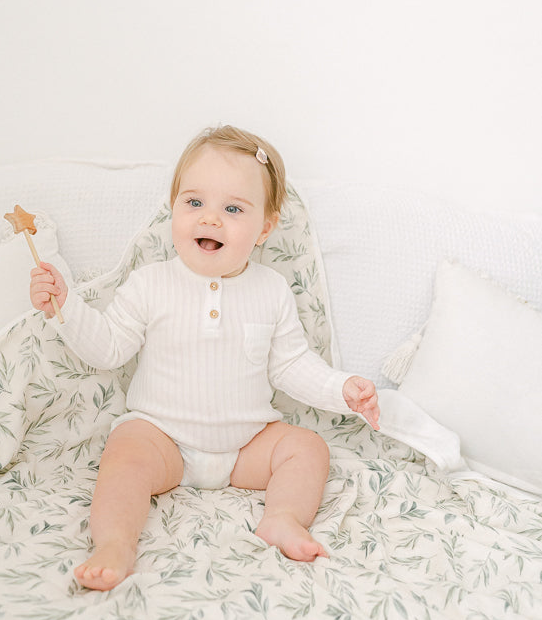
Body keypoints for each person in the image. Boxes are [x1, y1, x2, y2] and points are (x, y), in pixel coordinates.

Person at [30, 125, 380, 591]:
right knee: (124, 455)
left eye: (233, 209)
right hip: (163, 440)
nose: (210, 219)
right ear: (173, 208)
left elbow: (291, 365)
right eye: (194, 203)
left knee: (307, 447)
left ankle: (282, 517)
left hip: (246, 447)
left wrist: (342, 389)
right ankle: (114, 543)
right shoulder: (150, 284)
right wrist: (65, 307)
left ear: (265, 229)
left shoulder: (271, 291)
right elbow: (109, 347)